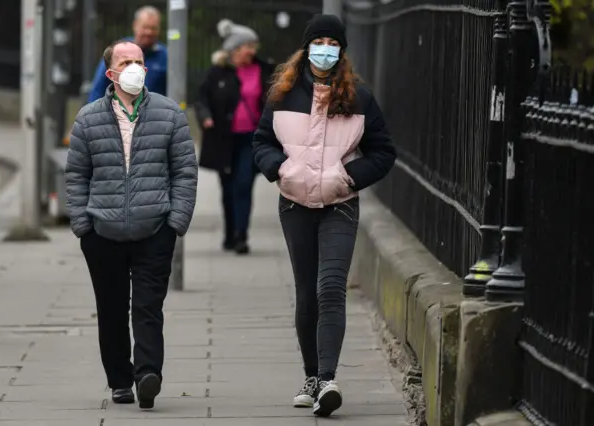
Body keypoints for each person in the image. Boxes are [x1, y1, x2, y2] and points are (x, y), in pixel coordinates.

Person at [252, 14, 397, 417]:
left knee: (331, 287)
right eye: (320, 41)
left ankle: (329, 379)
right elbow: (261, 141)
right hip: (294, 204)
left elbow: (384, 152)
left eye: (334, 43)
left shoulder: (360, 99)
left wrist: (347, 178)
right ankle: (311, 376)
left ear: (341, 51)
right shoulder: (282, 95)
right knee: (306, 294)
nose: (326, 49)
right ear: (307, 47)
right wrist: (282, 170)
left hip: (340, 204)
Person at [65, 40, 198, 410]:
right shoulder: (88, 118)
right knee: (110, 309)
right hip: (101, 233)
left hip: (155, 230)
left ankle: (147, 374)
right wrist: (82, 224)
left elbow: (185, 171)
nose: (136, 67)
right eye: (126, 62)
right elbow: (76, 174)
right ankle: (120, 381)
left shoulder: (169, 114)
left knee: (148, 307)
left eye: (139, 60)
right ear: (111, 73)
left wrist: (176, 221)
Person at [194, 19, 275, 254]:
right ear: (233, 49)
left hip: (251, 138)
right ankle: (229, 233)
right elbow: (202, 100)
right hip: (223, 139)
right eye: (246, 46)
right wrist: (206, 117)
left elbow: (274, 100)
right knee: (228, 188)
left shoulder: (264, 70)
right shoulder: (217, 73)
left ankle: (241, 235)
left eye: (253, 45)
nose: (251, 50)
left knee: (243, 184)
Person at [87, 6, 167, 103]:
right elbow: (98, 88)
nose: (149, 32)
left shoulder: (165, 56)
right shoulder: (118, 51)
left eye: (153, 28)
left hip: (155, 115)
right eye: (145, 27)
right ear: (135, 25)